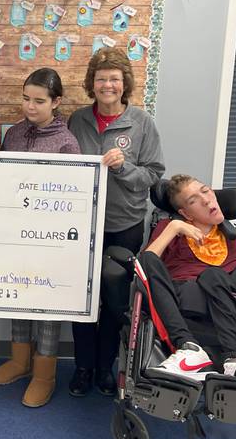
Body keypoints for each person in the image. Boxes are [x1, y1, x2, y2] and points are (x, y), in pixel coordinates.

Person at [67, 47, 165, 397]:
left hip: (124, 225)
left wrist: (123, 168)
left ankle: (106, 368)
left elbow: (154, 176)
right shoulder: (77, 120)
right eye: (101, 78)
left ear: (125, 85)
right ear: (92, 83)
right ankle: (82, 367)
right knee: (81, 299)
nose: (107, 84)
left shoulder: (141, 123)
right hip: (82, 225)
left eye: (114, 79)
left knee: (113, 300)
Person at [0, 68, 80, 407]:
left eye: (39, 101)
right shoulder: (12, 134)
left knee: (46, 304)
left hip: (51, 239)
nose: (30, 106)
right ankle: (19, 361)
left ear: (56, 102)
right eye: (26, 98)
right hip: (15, 233)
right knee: (18, 293)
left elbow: (74, 198)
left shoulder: (67, 142)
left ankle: (44, 374)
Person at [140, 174, 236, 381]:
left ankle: (233, 358)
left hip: (226, 308)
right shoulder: (168, 231)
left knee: (213, 274)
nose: (206, 200)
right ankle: (189, 348)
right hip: (179, 304)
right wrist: (174, 227)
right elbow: (144, 266)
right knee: (147, 259)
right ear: (185, 213)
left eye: (205, 191)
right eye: (193, 200)